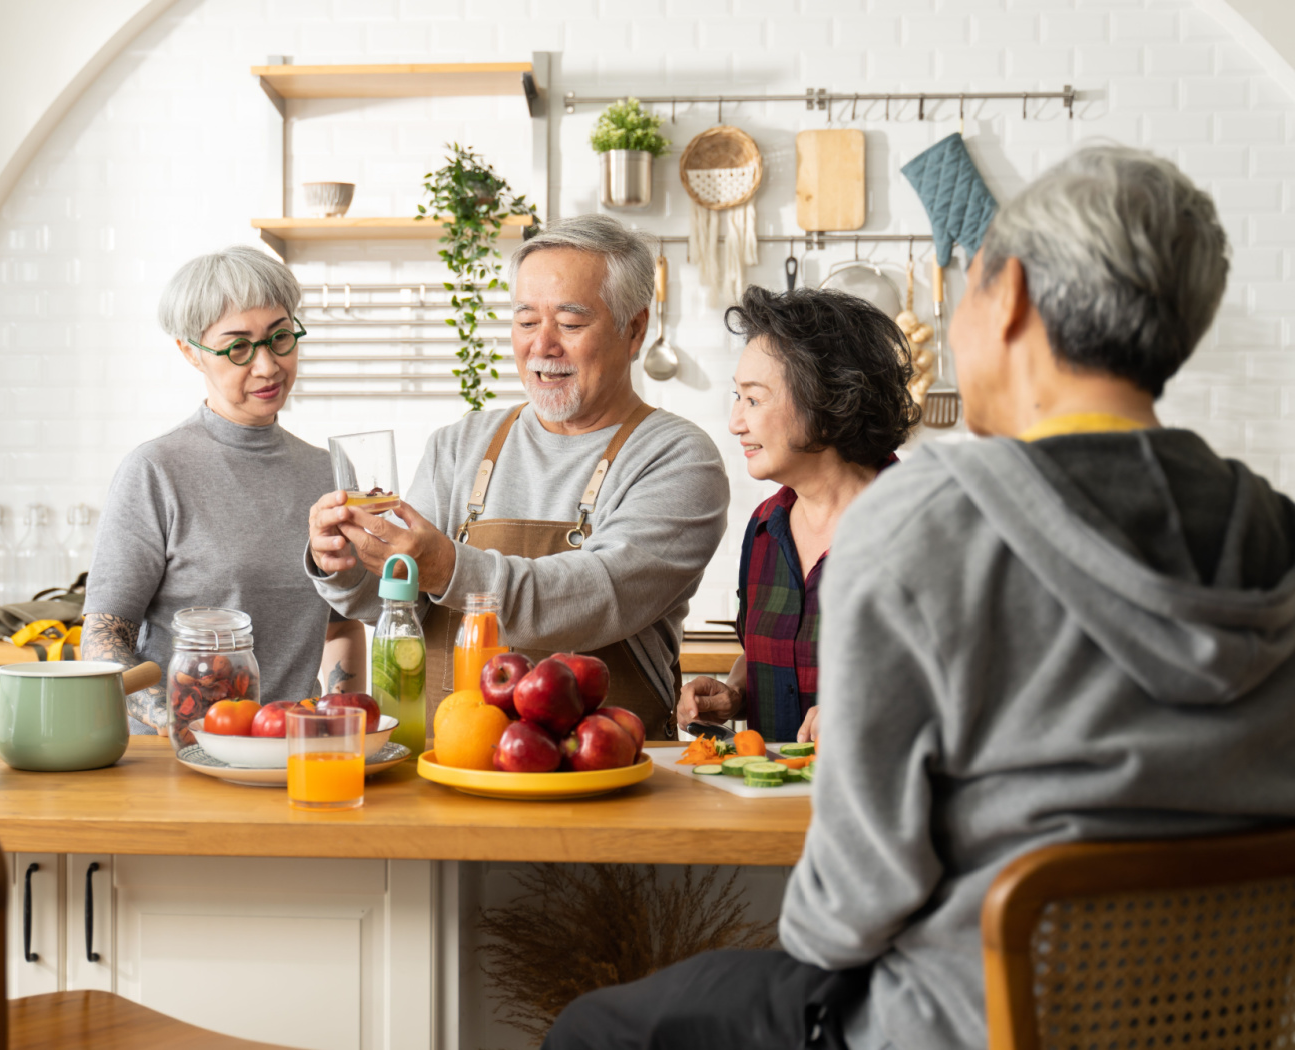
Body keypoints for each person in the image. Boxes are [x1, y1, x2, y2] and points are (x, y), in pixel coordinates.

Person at [544, 145, 1295, 1050]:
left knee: (595, 1028)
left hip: (956, 1021)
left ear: (1008, 295)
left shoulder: (925, 524)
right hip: (1215, 1018)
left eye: (964, 289)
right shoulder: (1275, 526)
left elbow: (842, 915)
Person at [306, 215, 729, 738]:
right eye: (526, 321)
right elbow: (398, 602)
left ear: (635, 329)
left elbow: (594, 597)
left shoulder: (678, 457)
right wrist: (347, 566)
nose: (542, 346)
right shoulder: (461, 443)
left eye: (570, 324)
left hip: (602, 774)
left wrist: (446, 565)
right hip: (448, 760)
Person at [83, 246, 364, 733]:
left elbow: (341, 624)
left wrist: (340, 722)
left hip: (291, 749)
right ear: (190, 352)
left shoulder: (330, 474)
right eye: (238, 347)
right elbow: (105, 636)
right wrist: (172, 720)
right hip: (180, 757)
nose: (267, 366)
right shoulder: (155, 470)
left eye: (280, 338)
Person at [677, 286, 919, 744]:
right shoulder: (765, 528)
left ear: (827, 402)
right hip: (770, 809)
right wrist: (734, 693)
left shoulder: (925, 526)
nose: (735, 422)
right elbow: (773, 655)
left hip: (883, 805)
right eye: (737, 397)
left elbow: (974, 685)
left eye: (754, 399)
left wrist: (871, 707)